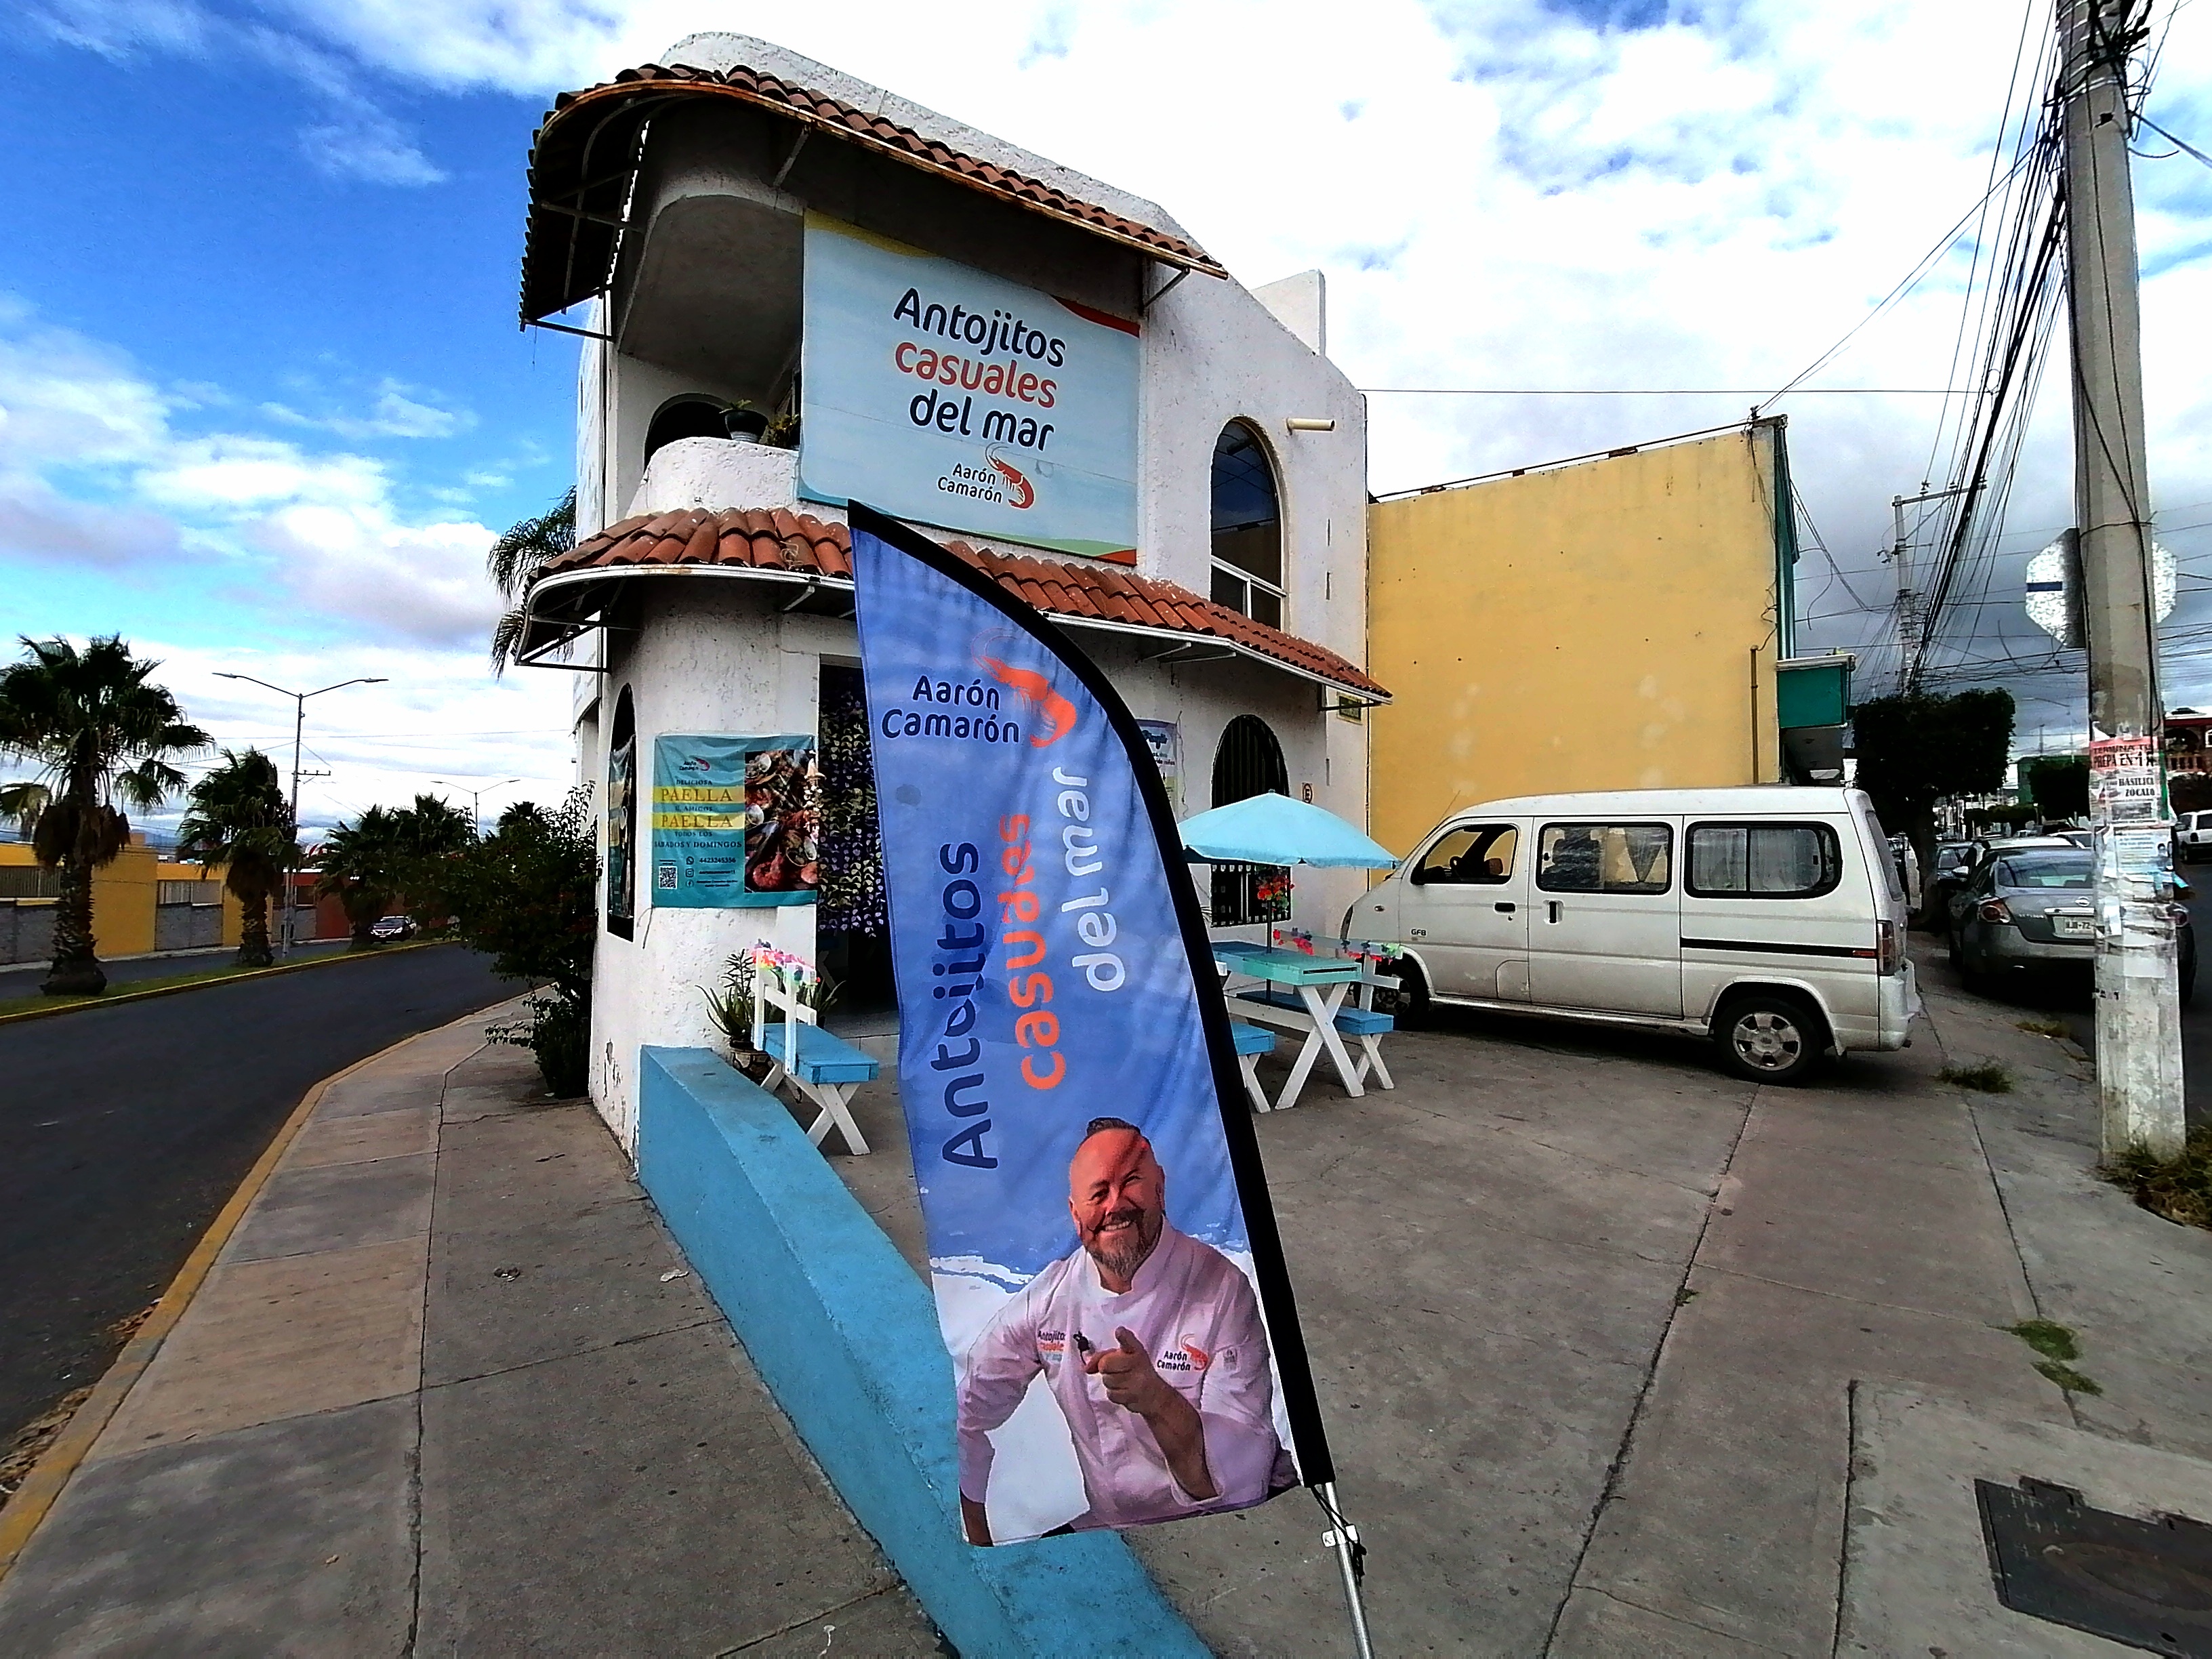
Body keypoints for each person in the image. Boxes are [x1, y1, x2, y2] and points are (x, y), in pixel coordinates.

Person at [956, 1118, 1292, 1543]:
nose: (1115, 1205)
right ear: (1076, 1216)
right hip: (1108, 1525)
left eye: (1131, 1182)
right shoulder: (1050, 1300)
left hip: (1215, 1525)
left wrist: (1157, 1401)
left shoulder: (1220, 1288)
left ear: (1160, 1188)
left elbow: (1244, 1473)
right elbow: (974, 1405)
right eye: (1098, 1193)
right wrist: (979, 1536)